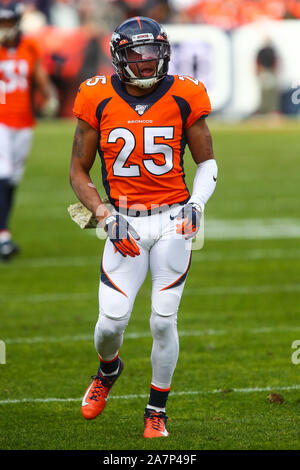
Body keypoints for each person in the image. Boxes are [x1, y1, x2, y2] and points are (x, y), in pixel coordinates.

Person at [69, 16, 218, 438]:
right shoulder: (95, 96)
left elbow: (206, 162)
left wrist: (197, 205)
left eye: (154, 51)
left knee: (162, 320)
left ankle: (157, 409)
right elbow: (78, 171)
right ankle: (108, 369)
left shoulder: (184, 93)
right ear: (119, 55)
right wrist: (103, 215)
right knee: (111, 324)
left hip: (174, 218)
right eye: (138, 52)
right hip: (123, 221)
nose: (148, 60)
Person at [0, 1, 59, 261]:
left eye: (7, 22)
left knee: (12, 180)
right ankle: (3, 235)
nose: (4, 28)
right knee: (2, 174)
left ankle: (3, 230)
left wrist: (49, 96)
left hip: (23, 121)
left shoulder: (29, 45)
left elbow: (38, 74)